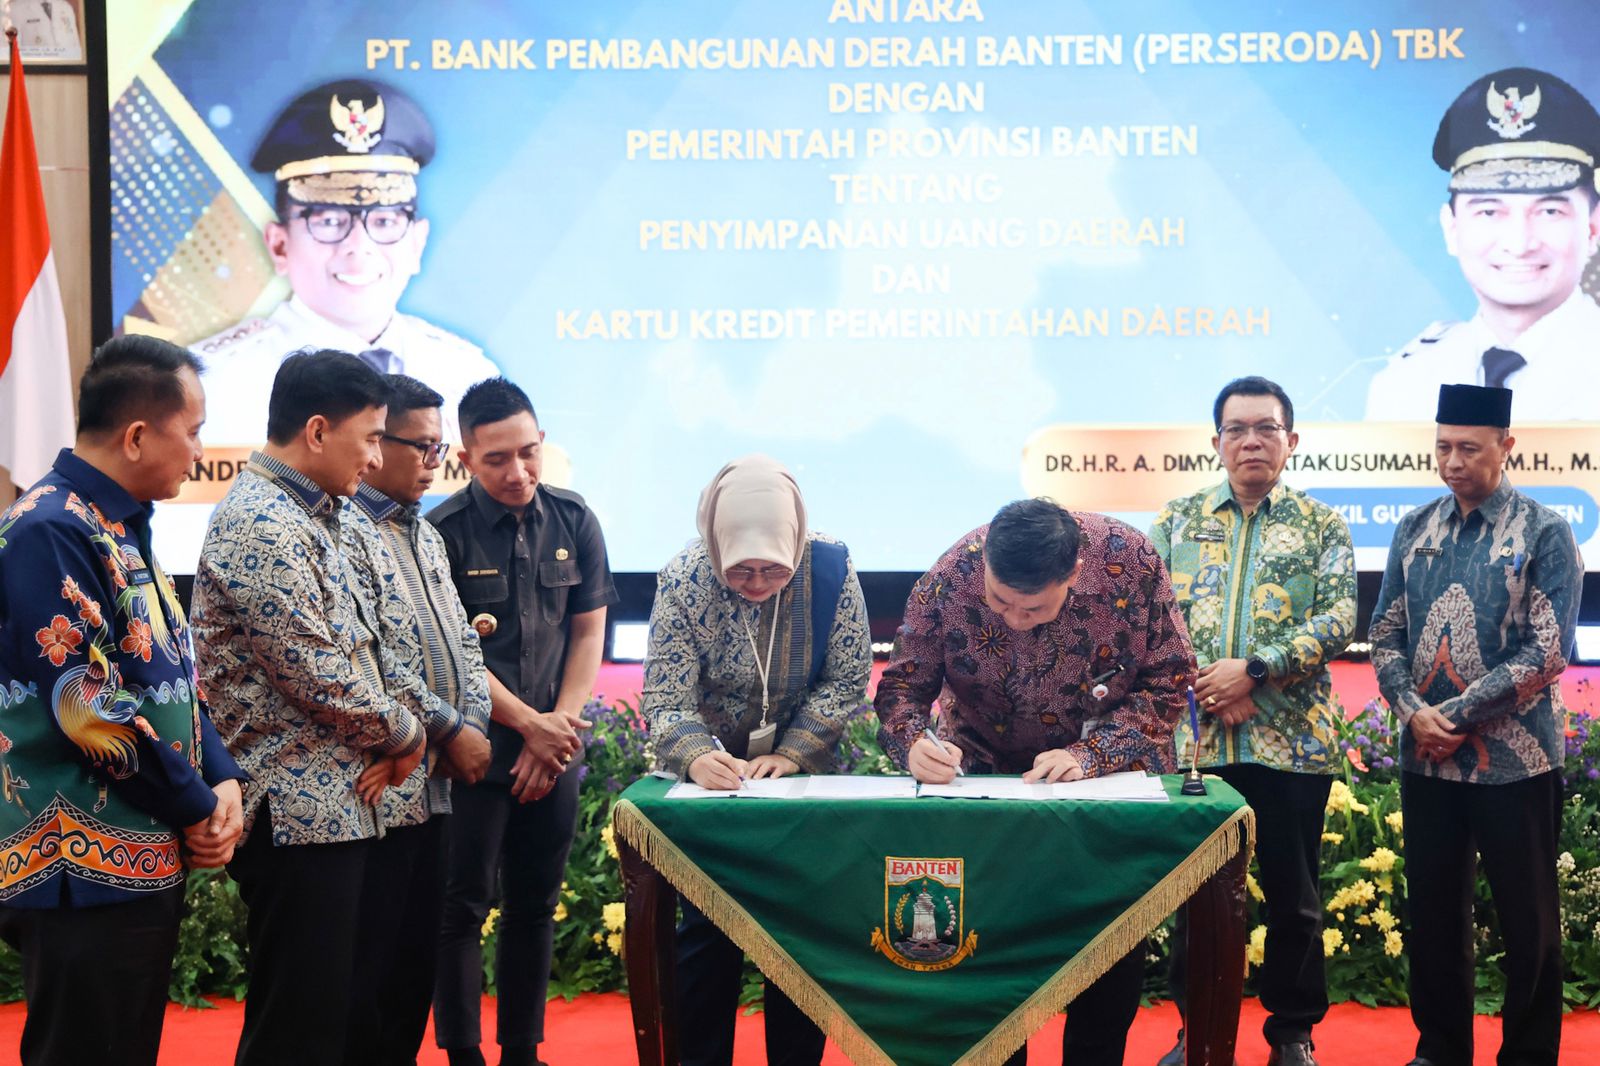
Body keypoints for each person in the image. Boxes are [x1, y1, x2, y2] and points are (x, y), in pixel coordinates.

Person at [875, 497, 1195, 1066]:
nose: (1015, 620)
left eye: (1034, 608)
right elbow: (902, 688)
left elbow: (1170, 679)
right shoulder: (949, 577)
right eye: (1000, 602)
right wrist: (913, 743)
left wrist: (1091, 755)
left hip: (1102, 784)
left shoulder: (1130, 561)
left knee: (1106, 949)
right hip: (985, 780)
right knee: (991, 949)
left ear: (1074, 573)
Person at [0, 335, 243, 1065]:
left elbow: (168, 671)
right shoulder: (50, 528)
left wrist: (221, 775)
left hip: (137, 852)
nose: (198, 452)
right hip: (79, 868)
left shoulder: (115, 522)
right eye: (193, 431)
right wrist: (195, 805)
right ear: (137, 436)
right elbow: (84, 707)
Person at [192, 349, 427, 1066]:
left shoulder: (327, 512)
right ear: (318, 431)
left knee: (344, 1020)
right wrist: (407, 733)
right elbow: (316, 672)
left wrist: (405, 730)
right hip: (295, 813)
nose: (377, 457)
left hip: (346, 805)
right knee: (297, 1029)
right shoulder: (260, 521)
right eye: (370, 437)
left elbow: (386, 642)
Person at [1370, 383, 1582, 1066]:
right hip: (1427, 760)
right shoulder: (1414, 528)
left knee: (1529, 924)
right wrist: (1414, 714)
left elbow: (1548, 650)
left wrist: (1456, 715)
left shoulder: (1544, 530)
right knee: (1434, 915)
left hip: (1517, 762)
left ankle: (1528, 1055)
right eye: (1442, 447)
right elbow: (1383, 633)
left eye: (1468, 448)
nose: (1453, 461)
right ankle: (1440, 1050)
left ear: (1505, 446)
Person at [1149, 377, 1356, 1066]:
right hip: (1200, 746)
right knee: (1198, 900)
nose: (1252, 441)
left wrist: (1257, 671)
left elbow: (1339, 617)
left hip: (1292, 744)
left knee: (1295, 898)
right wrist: (1216, 687)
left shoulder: (1322, 525)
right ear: (1217, 442)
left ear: (1291, 440)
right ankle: (1198, 1031)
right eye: (1237, 430)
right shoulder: (1177, 522)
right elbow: (1151, 621)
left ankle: (1293, 1034)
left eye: (1266, 428)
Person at [644, 454, 872, 1066]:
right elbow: (665, 697)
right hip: (714, 784)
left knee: (800, 935)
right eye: (740, 569)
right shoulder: (684, 580)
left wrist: (794, 752)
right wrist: (696, 757)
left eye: (773, 568)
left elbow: (847, 678)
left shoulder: (829, 569)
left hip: (800, 778)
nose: (755, 583)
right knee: (708, 931)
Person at [428, 377, 616, 1066]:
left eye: (529, 452)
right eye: (498, 459)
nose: (518, 471)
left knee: (535, 905)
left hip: (554, 749)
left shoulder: (574, 518)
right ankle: (464, 1054)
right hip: (473, 752)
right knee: (461, 906)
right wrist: (529, 725)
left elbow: (587, 632)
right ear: (465, 459)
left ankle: (521, 1052)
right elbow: (451, 653)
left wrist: (557, 729)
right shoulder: (442, 533)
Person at [191, 77, 499, 445]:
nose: (359, 245)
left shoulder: (468, 377)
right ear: (279, 246)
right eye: (329, 221)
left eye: (384, 221)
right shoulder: (210, 386)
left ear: (417, 244)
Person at [340, 374, 493, 1065]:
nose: (437, 462)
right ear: (378, 444)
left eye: (441, 448)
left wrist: (474, 725)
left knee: (413, 972)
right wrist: (451, 731)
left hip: (436, 788)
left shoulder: (426, 534)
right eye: (423, 447)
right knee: (369, 977)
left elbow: (463, 642)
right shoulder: (347, 531)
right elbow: (376, 661)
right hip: (385, 787)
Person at [1366, 67, 1600, 421]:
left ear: (1593, 228)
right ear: (1451, 228)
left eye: (1549, 211)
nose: (1519, 243)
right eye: (1489, 211)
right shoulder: (1403, 386)